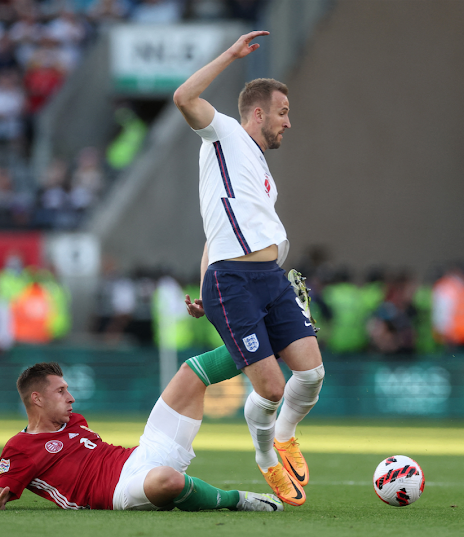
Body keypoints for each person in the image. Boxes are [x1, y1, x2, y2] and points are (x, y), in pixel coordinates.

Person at [173, 31, 325, 506]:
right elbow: (183, 96)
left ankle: (284, 436)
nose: (289, 122)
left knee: (312, 375)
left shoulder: (255, 166)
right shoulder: (223, 133)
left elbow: (212, 231)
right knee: (273, 386)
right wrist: (232, 56)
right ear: (257, 113)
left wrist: (202, 280)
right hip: (234, 283)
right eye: (283, 112)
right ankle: (265, 459)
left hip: (270, 280)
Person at [0, 359, 283, 513]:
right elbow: (0, 491)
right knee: (168, 481)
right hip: (118, 493)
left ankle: (263, 341)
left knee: (191, 373)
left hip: (141, 453)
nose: (71, 397)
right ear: (37, 399)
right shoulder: (20, 447)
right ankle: (236, 500)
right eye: (61, 391)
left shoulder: (74, 420)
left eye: (69, 389)